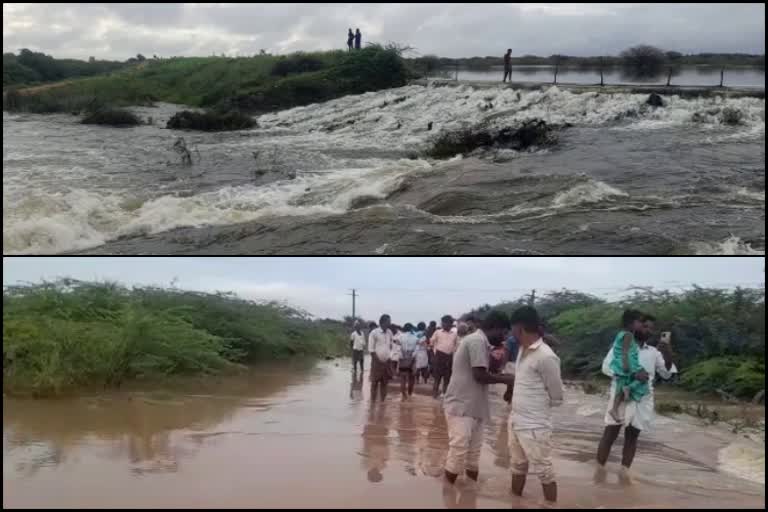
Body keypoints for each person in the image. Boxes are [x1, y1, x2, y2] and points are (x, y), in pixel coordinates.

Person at [595, 312, 677, 482]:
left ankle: (624, 473)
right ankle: (598, 471)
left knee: (632, 437)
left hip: (642, 399)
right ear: (635, 326)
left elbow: (667, 373)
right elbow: (606, 368)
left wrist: (668, 352)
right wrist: (631, 375)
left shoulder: (654, 352)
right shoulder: (621, 346)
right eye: (644, 326)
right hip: (621, 394)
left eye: (650, 328)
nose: (647, 330)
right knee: (610, 433)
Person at [443, 310, 516, 485]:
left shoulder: (483, 343)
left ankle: (469, 494)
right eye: (504, 332)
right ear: (494, 328)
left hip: (475, 406)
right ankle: (447, 494)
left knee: (473, 455)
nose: (505, 338)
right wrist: (509, 380)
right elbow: (480, 376)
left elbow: (488, 372)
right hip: (462, 405)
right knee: (459, 451)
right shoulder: (476, 340)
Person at [507, 306, 563, 504]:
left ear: (520, 329)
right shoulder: (523, 350)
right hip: (515, 420)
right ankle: (516, 503)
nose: (511, 336)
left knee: (544, 470)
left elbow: (557, 394)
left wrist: (536, 412)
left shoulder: (546, 356)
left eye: (513, 331)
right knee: (517, 465)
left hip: (535, 426)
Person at [609, 310, 648, 423]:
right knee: (644, 376)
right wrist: (626, 366)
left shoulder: (622, 334)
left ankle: (615, 409)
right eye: (639, 321)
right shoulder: (628, 335)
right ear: (631, 322)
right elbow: (624, 352)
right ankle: (629, 389)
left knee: (621, 386)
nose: (641, 324)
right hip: (627, 363)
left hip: (624, 363)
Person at [431, 315, 459, 399]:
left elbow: (457, 346)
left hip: (449, 358)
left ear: (450, 324)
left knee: (447, 379)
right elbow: (431, 343)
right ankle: (434, 398)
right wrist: (434, 354)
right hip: (439, 357)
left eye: (446, 323)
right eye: (442, 323)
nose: (444, 324)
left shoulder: (455, 334)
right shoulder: (437, 332)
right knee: (437, 379)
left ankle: (445, 398)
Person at [368, 314, 393, 402]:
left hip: (387, 362)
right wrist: (378, 361)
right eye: (388, 322)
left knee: (384, 383)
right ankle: (372, 403)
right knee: (374, 383)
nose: (390, 323)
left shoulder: (389, 332)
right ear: (382, 322)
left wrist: (389, 358)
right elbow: (371, 350)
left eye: (390, 322)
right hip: (376, 362)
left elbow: (391, 346)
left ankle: (382, 404)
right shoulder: (374, 333)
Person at [398, 323, 419, 398]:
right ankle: (410, 394)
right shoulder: (415, 338)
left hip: (403, 357)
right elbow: (417, 348)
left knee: (403, 378)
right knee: (412, 377)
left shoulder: (400, 337)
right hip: (412, 358)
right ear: (411, 329)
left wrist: (401, 356)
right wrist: (413, 356)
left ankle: (404, 395)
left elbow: (398, 348)